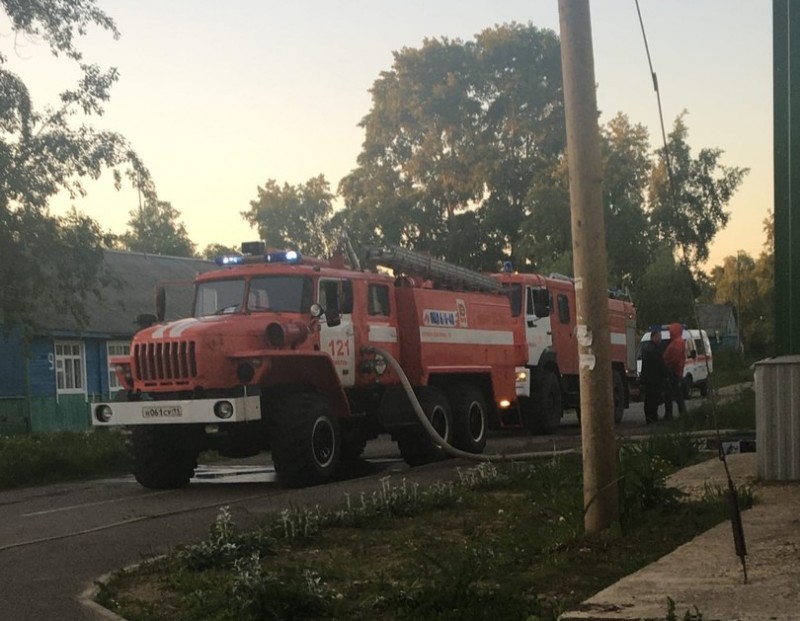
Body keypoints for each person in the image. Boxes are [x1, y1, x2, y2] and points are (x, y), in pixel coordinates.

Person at [640, 326, 666, 424]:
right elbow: (660, 364)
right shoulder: (655, 350)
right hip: (654, 379)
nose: (660, 339)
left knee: (649, 399)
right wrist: (664, 374)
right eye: (659, 336)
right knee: (653, 399)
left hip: (648, 379)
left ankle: (649, 417)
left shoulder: (646, 348)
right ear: (654, 337)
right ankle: (652, 417)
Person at [662, 322, 688, 418]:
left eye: (671, 330)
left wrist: (669, 367)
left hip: (673, 372)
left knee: (673, 394)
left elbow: (674, 359)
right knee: (674, 394)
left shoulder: (677, 343)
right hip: (674, 372)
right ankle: (678, 413)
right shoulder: (677, 342)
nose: (669, 332)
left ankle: (674, 414)